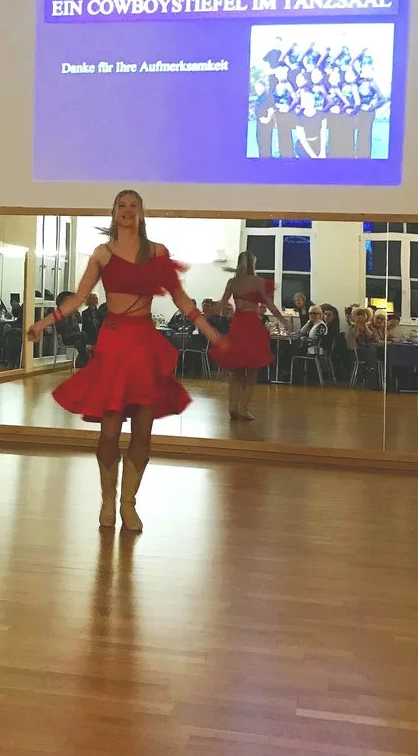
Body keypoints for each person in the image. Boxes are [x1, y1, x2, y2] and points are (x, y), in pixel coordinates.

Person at [27, 189, 226, 533]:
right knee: (109, 430)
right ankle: (108, 498)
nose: (128, 210)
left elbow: (181, 298)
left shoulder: (158, 252)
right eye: (122, 205)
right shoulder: (103, 254)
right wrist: (44, 322)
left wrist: (212, 334)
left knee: (143, 432)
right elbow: (77, 297)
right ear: (114, 212)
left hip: (145, 345)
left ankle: (128, 503)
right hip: (114, 344)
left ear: (142, 212)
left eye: (134, 206)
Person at [211, 252, 287, 421]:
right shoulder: (259, 282)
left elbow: (222, 305)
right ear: (253, 264)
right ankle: (243, 409)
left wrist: (206, 312)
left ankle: (232, 407)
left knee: (236, 370)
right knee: (252, 371)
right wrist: (282, 320)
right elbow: (270, 305)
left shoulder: (232, 282)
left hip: (237, 324)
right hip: (252, 325)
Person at [54, 291, 89, 368]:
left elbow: (80, 320)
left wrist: (75, 312)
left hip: (75, 336)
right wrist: (66, 318)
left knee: (78, 343)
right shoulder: (59, 313)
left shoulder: (74, 312)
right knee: (83, 334)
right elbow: (59, 327)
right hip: (66, 337)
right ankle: (85, 357)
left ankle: (83, 359)